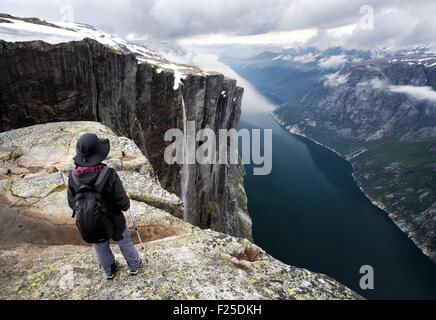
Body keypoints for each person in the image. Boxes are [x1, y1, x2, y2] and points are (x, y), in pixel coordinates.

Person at [67, 133, 142, 280]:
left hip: (91, 222)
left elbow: (72, 203)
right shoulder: (109, 174)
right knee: (124, 241)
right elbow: (123, 204)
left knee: (100, 246)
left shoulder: (73, 176)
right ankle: (134, 265)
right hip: (114, 219)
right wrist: (125, 198)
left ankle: (109, 270)